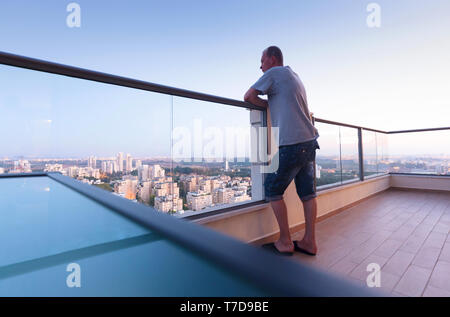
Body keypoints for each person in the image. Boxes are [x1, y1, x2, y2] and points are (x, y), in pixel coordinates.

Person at [244, 46, 320, 256]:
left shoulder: (274, 73)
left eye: (262, 60)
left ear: (273, 58)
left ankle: (285, 242)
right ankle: (309, 242)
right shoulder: (292, 75)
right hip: (309, 140)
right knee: (307, 193)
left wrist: (265, 105)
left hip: (293, 143)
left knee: (272, 189)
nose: (260, 66)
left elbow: (248, 96)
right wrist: (273, 104)